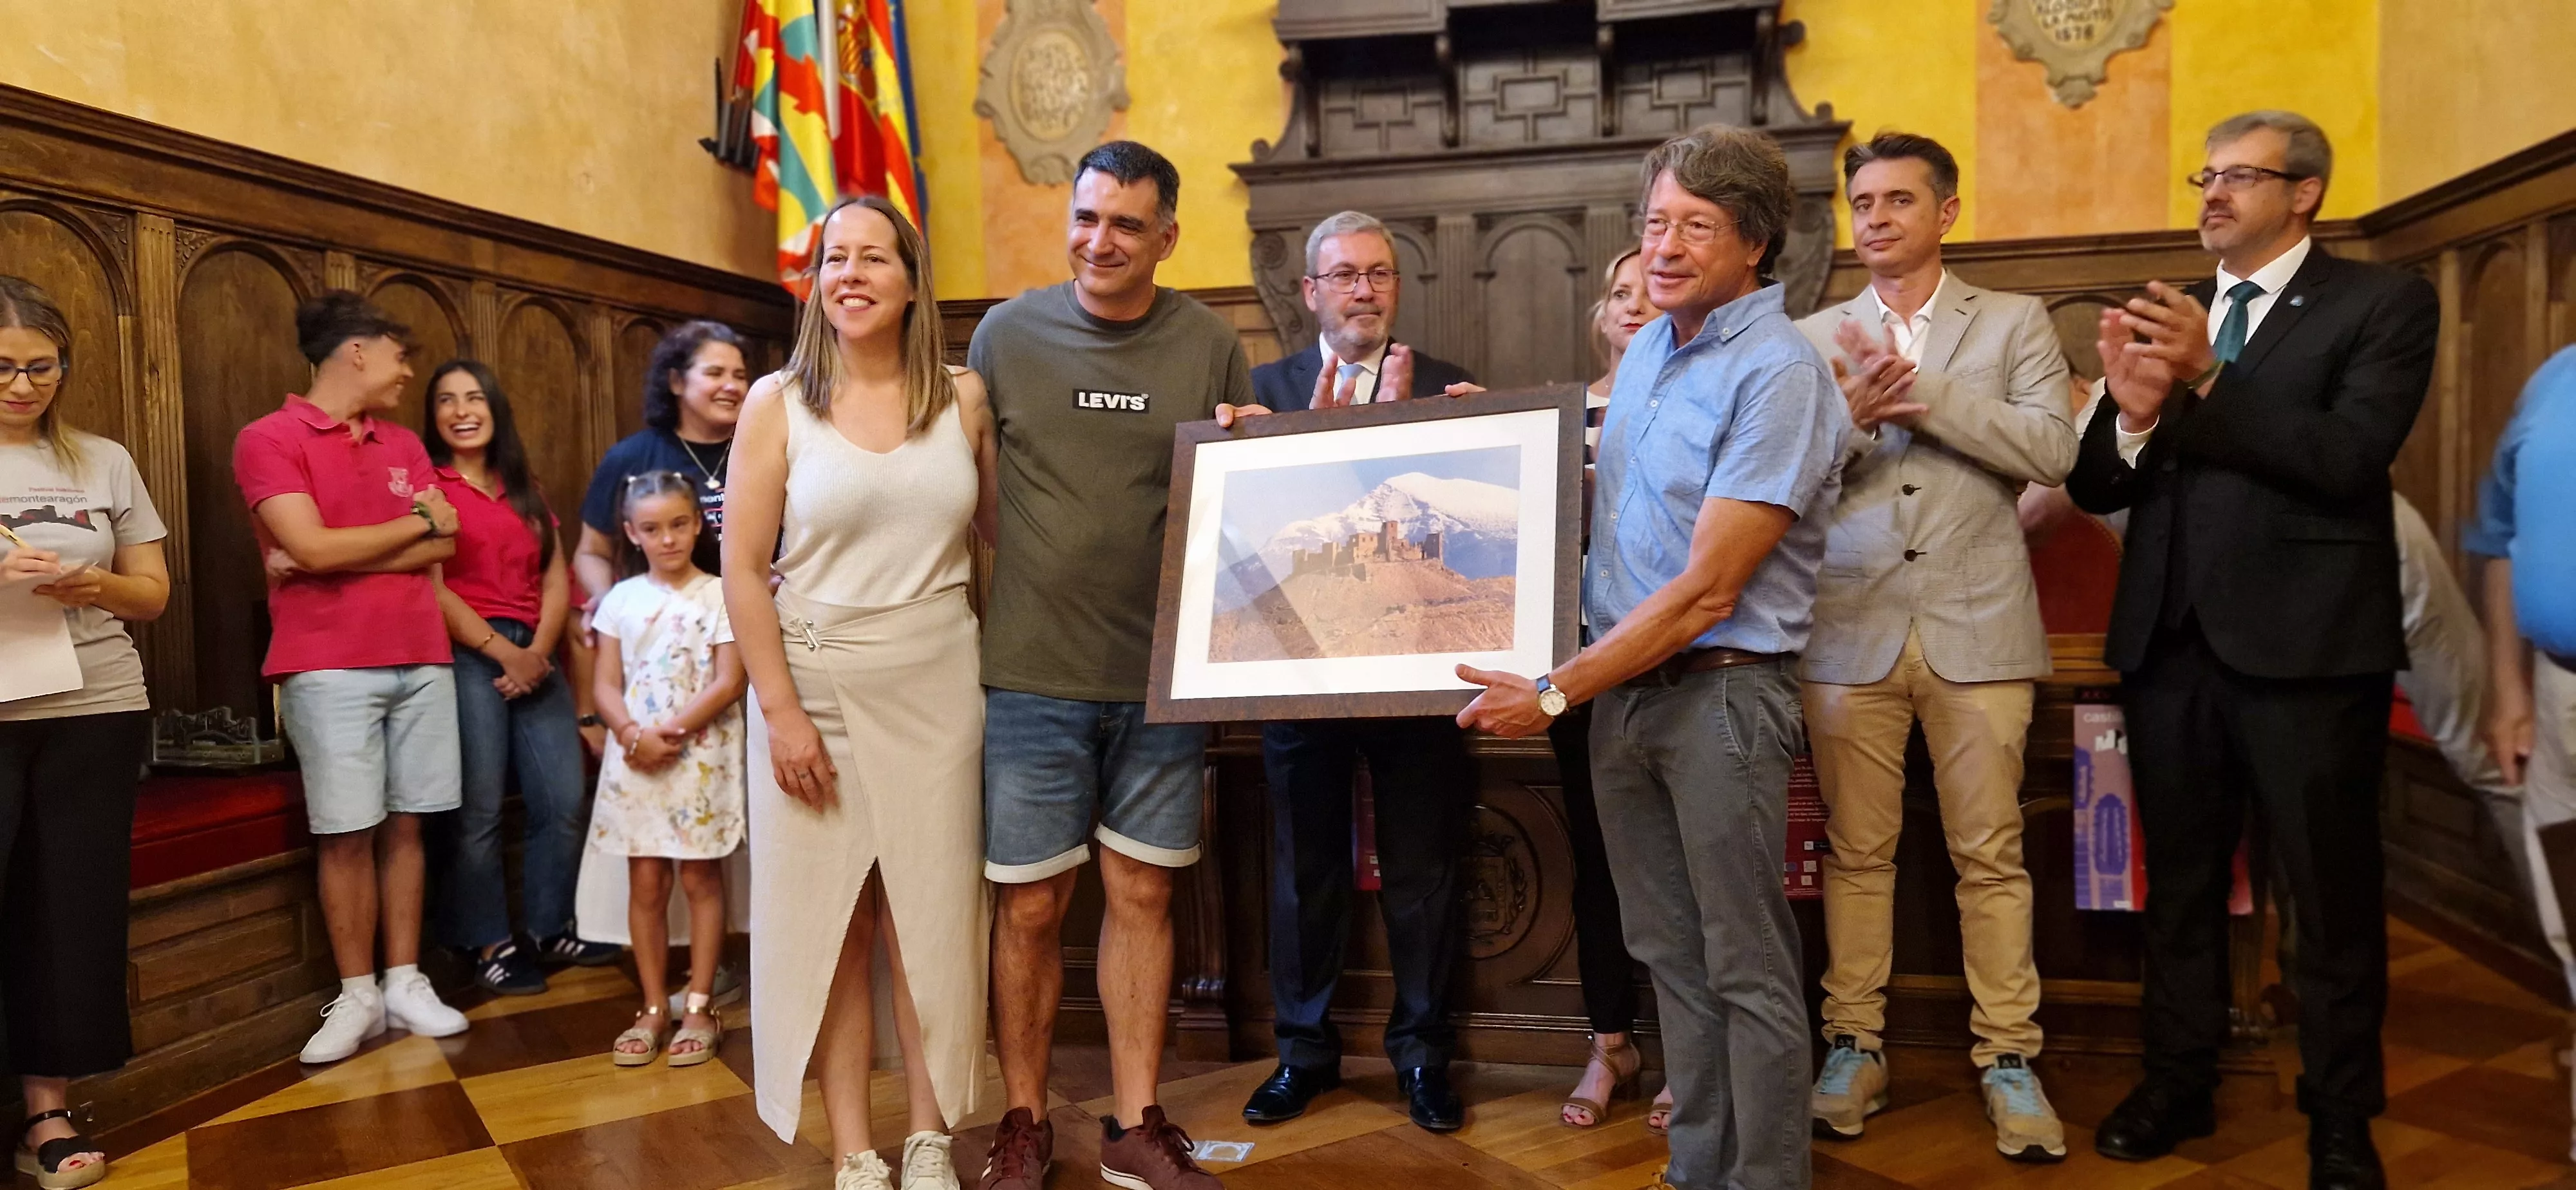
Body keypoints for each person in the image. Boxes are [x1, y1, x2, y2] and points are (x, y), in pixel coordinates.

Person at [1457, 124, 1848, 1190]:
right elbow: (1616, 522)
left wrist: (1551, 688)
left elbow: (1711, 588)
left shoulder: (1779, 371)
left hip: (1720, 697)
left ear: (1755, 244)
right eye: (1655, 222)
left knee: (1746, 963)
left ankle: (1765, 1176)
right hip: (1623, 703)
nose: (1664, 247)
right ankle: (1697, 1165)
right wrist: (1477, 458)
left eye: (1696, 227)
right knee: (1670, 955)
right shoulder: (1646, 361)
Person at [2065, 111, 2438, 1190]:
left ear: (2306, 191)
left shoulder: (2382, 302)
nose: (2214, 194)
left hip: (2312, 651)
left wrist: (2213, 379)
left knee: (2327, 896)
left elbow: (2346, 456)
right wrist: (2132, 415)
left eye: (2241, 176)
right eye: (2206, 175)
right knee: (2178, 888)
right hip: (2173, 646)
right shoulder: (2172, 310)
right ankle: (2177, 1078)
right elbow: (2098, 485)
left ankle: (2338, 1115)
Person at [969, 140, 1261, 1190]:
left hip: (1162, 679)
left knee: (1142, 892)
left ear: (1168, 237)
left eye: (1127, 223)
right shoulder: (1005, 335)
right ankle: (1022, 1118)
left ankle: (1138, 1123)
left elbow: (1237, 484)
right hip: (1031, 676)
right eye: (1086, 217)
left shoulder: (1208, 344)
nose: (1100, 240)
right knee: (1032, 905)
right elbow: (963, 485)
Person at [1792, 131, 2076, 1160]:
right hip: (1848, 630)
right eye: (1861, 202)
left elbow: (2055, 450)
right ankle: (1852, 1044)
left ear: (1945, 212)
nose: (1874, 219)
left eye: (1897, 201)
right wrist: (1855, 423)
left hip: (1980, 627)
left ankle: (2009, 1058)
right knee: (1856, 856)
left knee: (1991, 856)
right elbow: (1782, 483)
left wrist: (1922, 392)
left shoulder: (2013, 321)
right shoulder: (1813, 332)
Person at [726, 196, 998, 1190]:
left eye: (873, 258)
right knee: (832, 921)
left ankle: (928, 1135)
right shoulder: (777, 403)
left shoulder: (964, 400)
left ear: (911, 281)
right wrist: (782, 713)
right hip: (817, 691)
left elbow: (1003, 547)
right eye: (833, 258)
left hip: (939, 685)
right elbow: (743, 570)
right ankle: (855, 1145)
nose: (850, 273)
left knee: (932, 913)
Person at [1238, 211, 1481, 1133]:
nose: (1364, 291)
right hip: (1299, 673)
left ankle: (1423, 1058)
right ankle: (1303, 1056)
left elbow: (1473, 510)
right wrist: (1238, 446)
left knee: (1421, 871)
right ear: (1310, 292)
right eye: (1344, 276)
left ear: (1396, 288)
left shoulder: (1454, 385)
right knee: (1305, 871)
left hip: (1419, 675)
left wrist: (1484, 434)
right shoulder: (1261, 391)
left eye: (1379, 275)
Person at [233, 291, 474, 1064]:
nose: (409, 371)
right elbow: (315, 549)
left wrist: (326, 552)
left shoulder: (401, 441)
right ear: (358, 352)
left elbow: (447, 547)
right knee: (345, 830)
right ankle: (357, 992)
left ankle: (404, 979)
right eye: (400, 355)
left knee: (410, 823)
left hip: (422, 652)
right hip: (326, 663)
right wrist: (410, 527)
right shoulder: (268, 438)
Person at [0, 276, 169, 1190]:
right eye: (3, 369)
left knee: (67, 911)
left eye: (41, 368)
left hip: (93, 705)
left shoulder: (102, 460)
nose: (23, 386)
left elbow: (153, 593)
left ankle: (48, 1114)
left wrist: (91, 586)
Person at [421, 360, 616, 996]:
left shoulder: (523, 485)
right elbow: (431, 585)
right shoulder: (427, 487)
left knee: (561, 799)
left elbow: (555, 576)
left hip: (537, 651)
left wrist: (535, 651)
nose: (461, 410)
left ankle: (548, 926)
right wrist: (504, 654)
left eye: (474, 397)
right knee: (476, 812)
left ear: (495, 408)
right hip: (467, 652)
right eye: (446, 401)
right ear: (433, 417)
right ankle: (489, 943)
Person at [572, 320, 752, 998]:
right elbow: (589, 552)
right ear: (676, 382)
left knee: (715, 854)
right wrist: (617, 607)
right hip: (648, 668)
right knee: (649, 869)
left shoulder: (762, 444)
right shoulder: (633, 456)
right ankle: (659, 994)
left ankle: (721, 976)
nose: (731, 384)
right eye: (715, 372)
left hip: (734, 653)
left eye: (740, 373)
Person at [1549, 245, 1679, 1136]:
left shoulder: (1700, 402)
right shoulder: (1559, 418)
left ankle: (1686, 1052)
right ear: (1601, 315)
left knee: (1685, 870)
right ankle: (1611, 1043)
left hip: (1680, 660)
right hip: (1582, 668)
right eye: (1619, 293)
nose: (1633, 305)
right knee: (1599, 865)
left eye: (1650, 292)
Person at [587, 472, 746, 1069]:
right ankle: (654, 1005)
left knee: (702, 881)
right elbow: (605, 683)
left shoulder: (719, 595)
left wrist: (668, 733)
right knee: (646, 884)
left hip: (697, 757)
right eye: (652, 528)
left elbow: (731, 679)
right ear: (632, 533)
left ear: (697, 523)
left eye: (679, 524)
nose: (668, 538)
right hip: (637, 760)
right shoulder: (620, 601)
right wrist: (631, 734)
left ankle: (701, 1004)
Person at [2471, 345, 2576, 1168]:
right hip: (2554, 691)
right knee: (2567, 914)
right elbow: (2499, 538)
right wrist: (2506, 688)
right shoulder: (2552, 376)